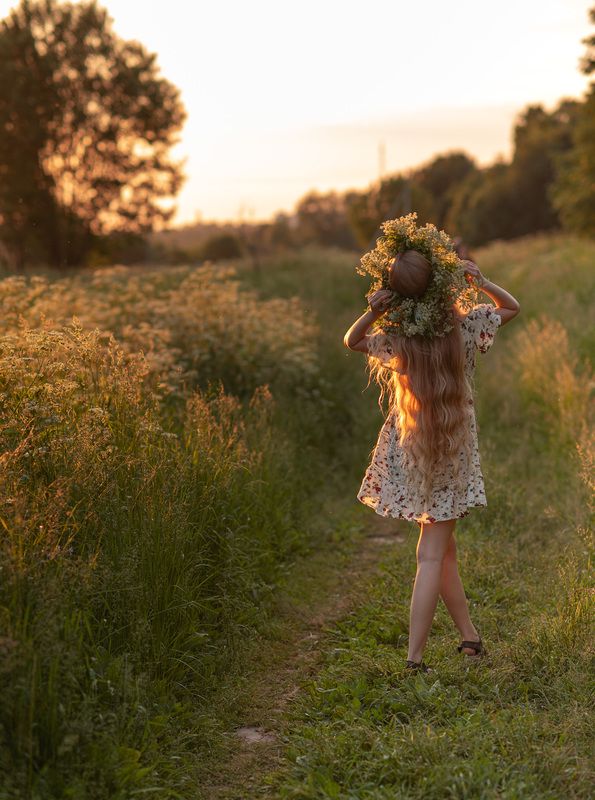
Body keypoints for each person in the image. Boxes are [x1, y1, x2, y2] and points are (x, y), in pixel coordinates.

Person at [343, 248, 520, 673]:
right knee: (430, 555)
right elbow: (510, 306)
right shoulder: (465, 327)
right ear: (442, 284)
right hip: (452, 452)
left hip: (414, 451)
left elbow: (352, 341)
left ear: (400, 296)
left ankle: (469, 638)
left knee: (444, 551)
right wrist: (478, 282)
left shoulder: (400, 338)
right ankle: (414, 659)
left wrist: (372, 310)